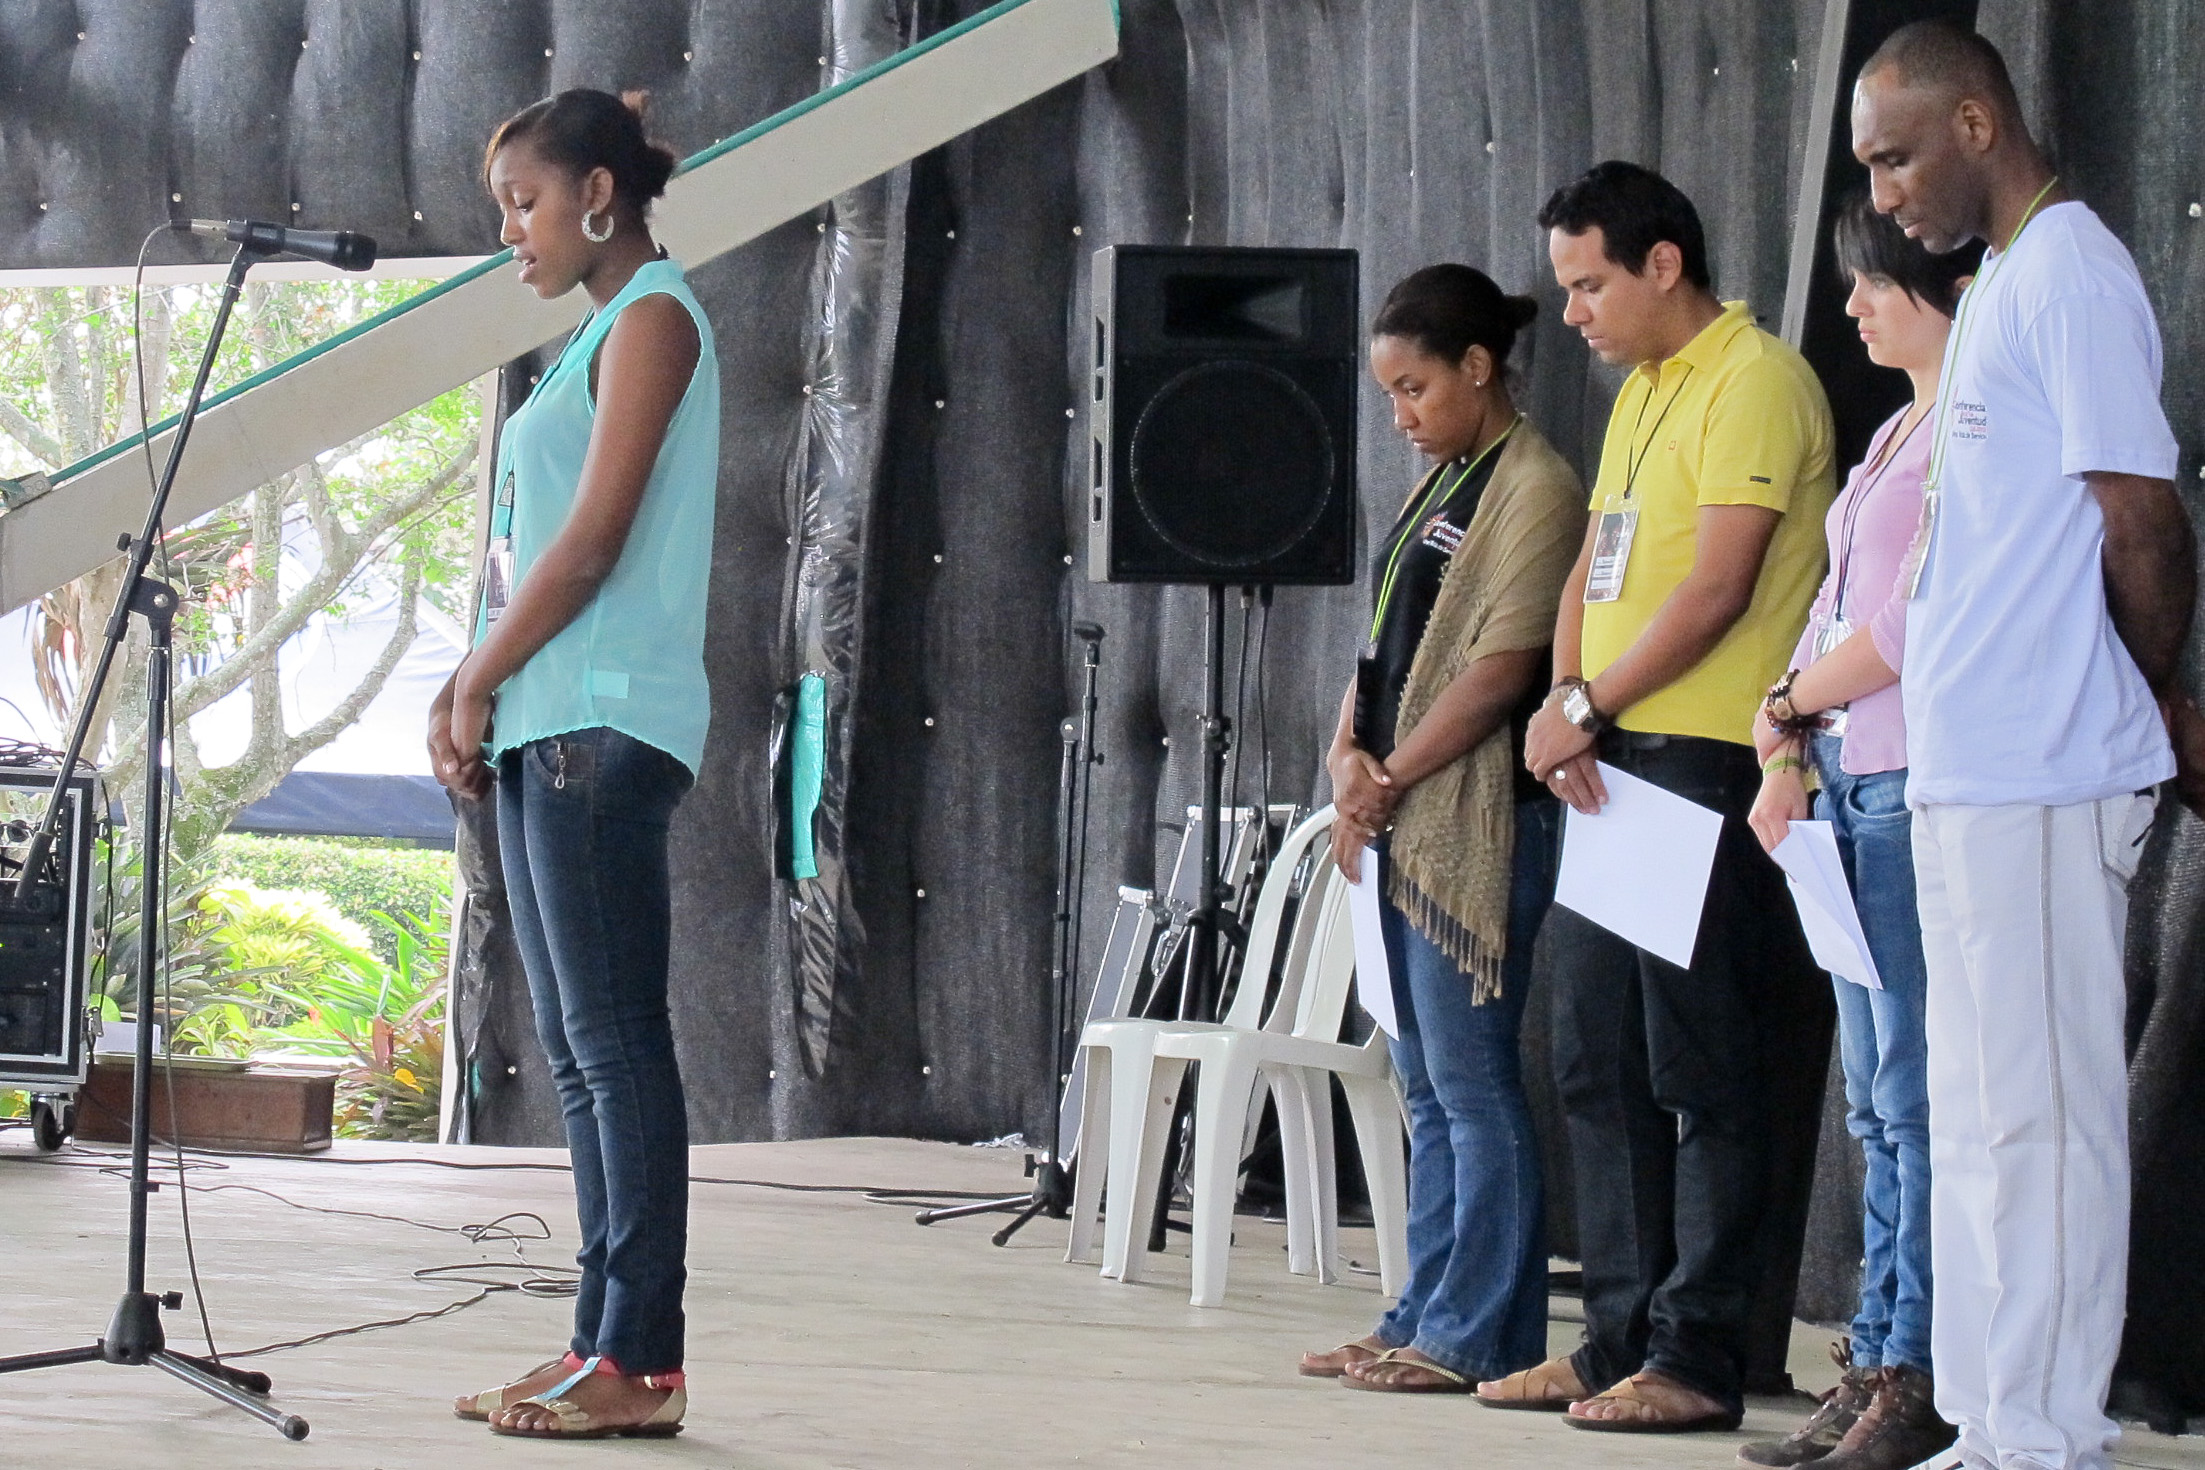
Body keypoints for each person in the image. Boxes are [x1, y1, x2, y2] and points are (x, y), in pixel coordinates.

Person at [1850, 23, 2200, 1470]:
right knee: (1986, 1118)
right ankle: (1993, 1418)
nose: (1881, 195)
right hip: (1969, 767)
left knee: (2050, 1121)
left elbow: (2142, 519)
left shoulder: (2073, 272)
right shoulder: (2000, 284)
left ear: (1979, 123)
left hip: (2053, 767)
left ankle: (2047, 1432)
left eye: (1895, 153)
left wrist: (2149, 701)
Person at [1476, 160, 1836, 1433]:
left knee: (1699, 1068)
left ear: (1663, 264)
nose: (1572, 313)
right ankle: (1617, 1338)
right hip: (1617, 757)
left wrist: (1595, 704)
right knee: (1589, 1057)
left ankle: (1699, 1352)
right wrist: (1565, 698)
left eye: (1588, 285)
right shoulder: (1639, 396)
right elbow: (1597, 560)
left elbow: (1717, 591)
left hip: (1699, 760)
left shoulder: (1755, 382)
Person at [431, 88, 719, 1441]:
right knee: (579, 1049)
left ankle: (641, 1361)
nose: (512, 232)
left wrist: (479, 673)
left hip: (604, 723)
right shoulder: (600, 330)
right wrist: (480, 685)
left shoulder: (654, 318)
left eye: (525, 203)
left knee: (615, 1047)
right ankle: (598, 1341)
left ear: (598, 193)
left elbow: (594, 540)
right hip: (552, 720)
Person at [1297, 265, 1584, 1394]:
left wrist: (1391, 775)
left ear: (1478, 368)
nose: (1403, 417)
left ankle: (1478, 1333)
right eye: (1390, 398)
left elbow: (1504, 666)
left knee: (1470, 1081)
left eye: (1415, 389)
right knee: (1423, 1084)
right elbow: (1383, 649)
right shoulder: (1444, 481)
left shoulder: (1536, 486)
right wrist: (1344, 758)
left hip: (1475, 819)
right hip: (1404, 809)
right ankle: (1423, 1306)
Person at [1738, 193, 1975, 1470]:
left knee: (1913, 1096)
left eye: (1867, 284)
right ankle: (1879, 1350)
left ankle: (1918, 1366)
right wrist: (1784, 737)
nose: (1851, 307)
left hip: (1902, 780)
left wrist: (1787, 705)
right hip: (1843, 780)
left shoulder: (1964, 434)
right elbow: (1833, 607)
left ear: (1923, 283)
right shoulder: (1892, 431)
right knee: (1875, 1105)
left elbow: (1904, 630)